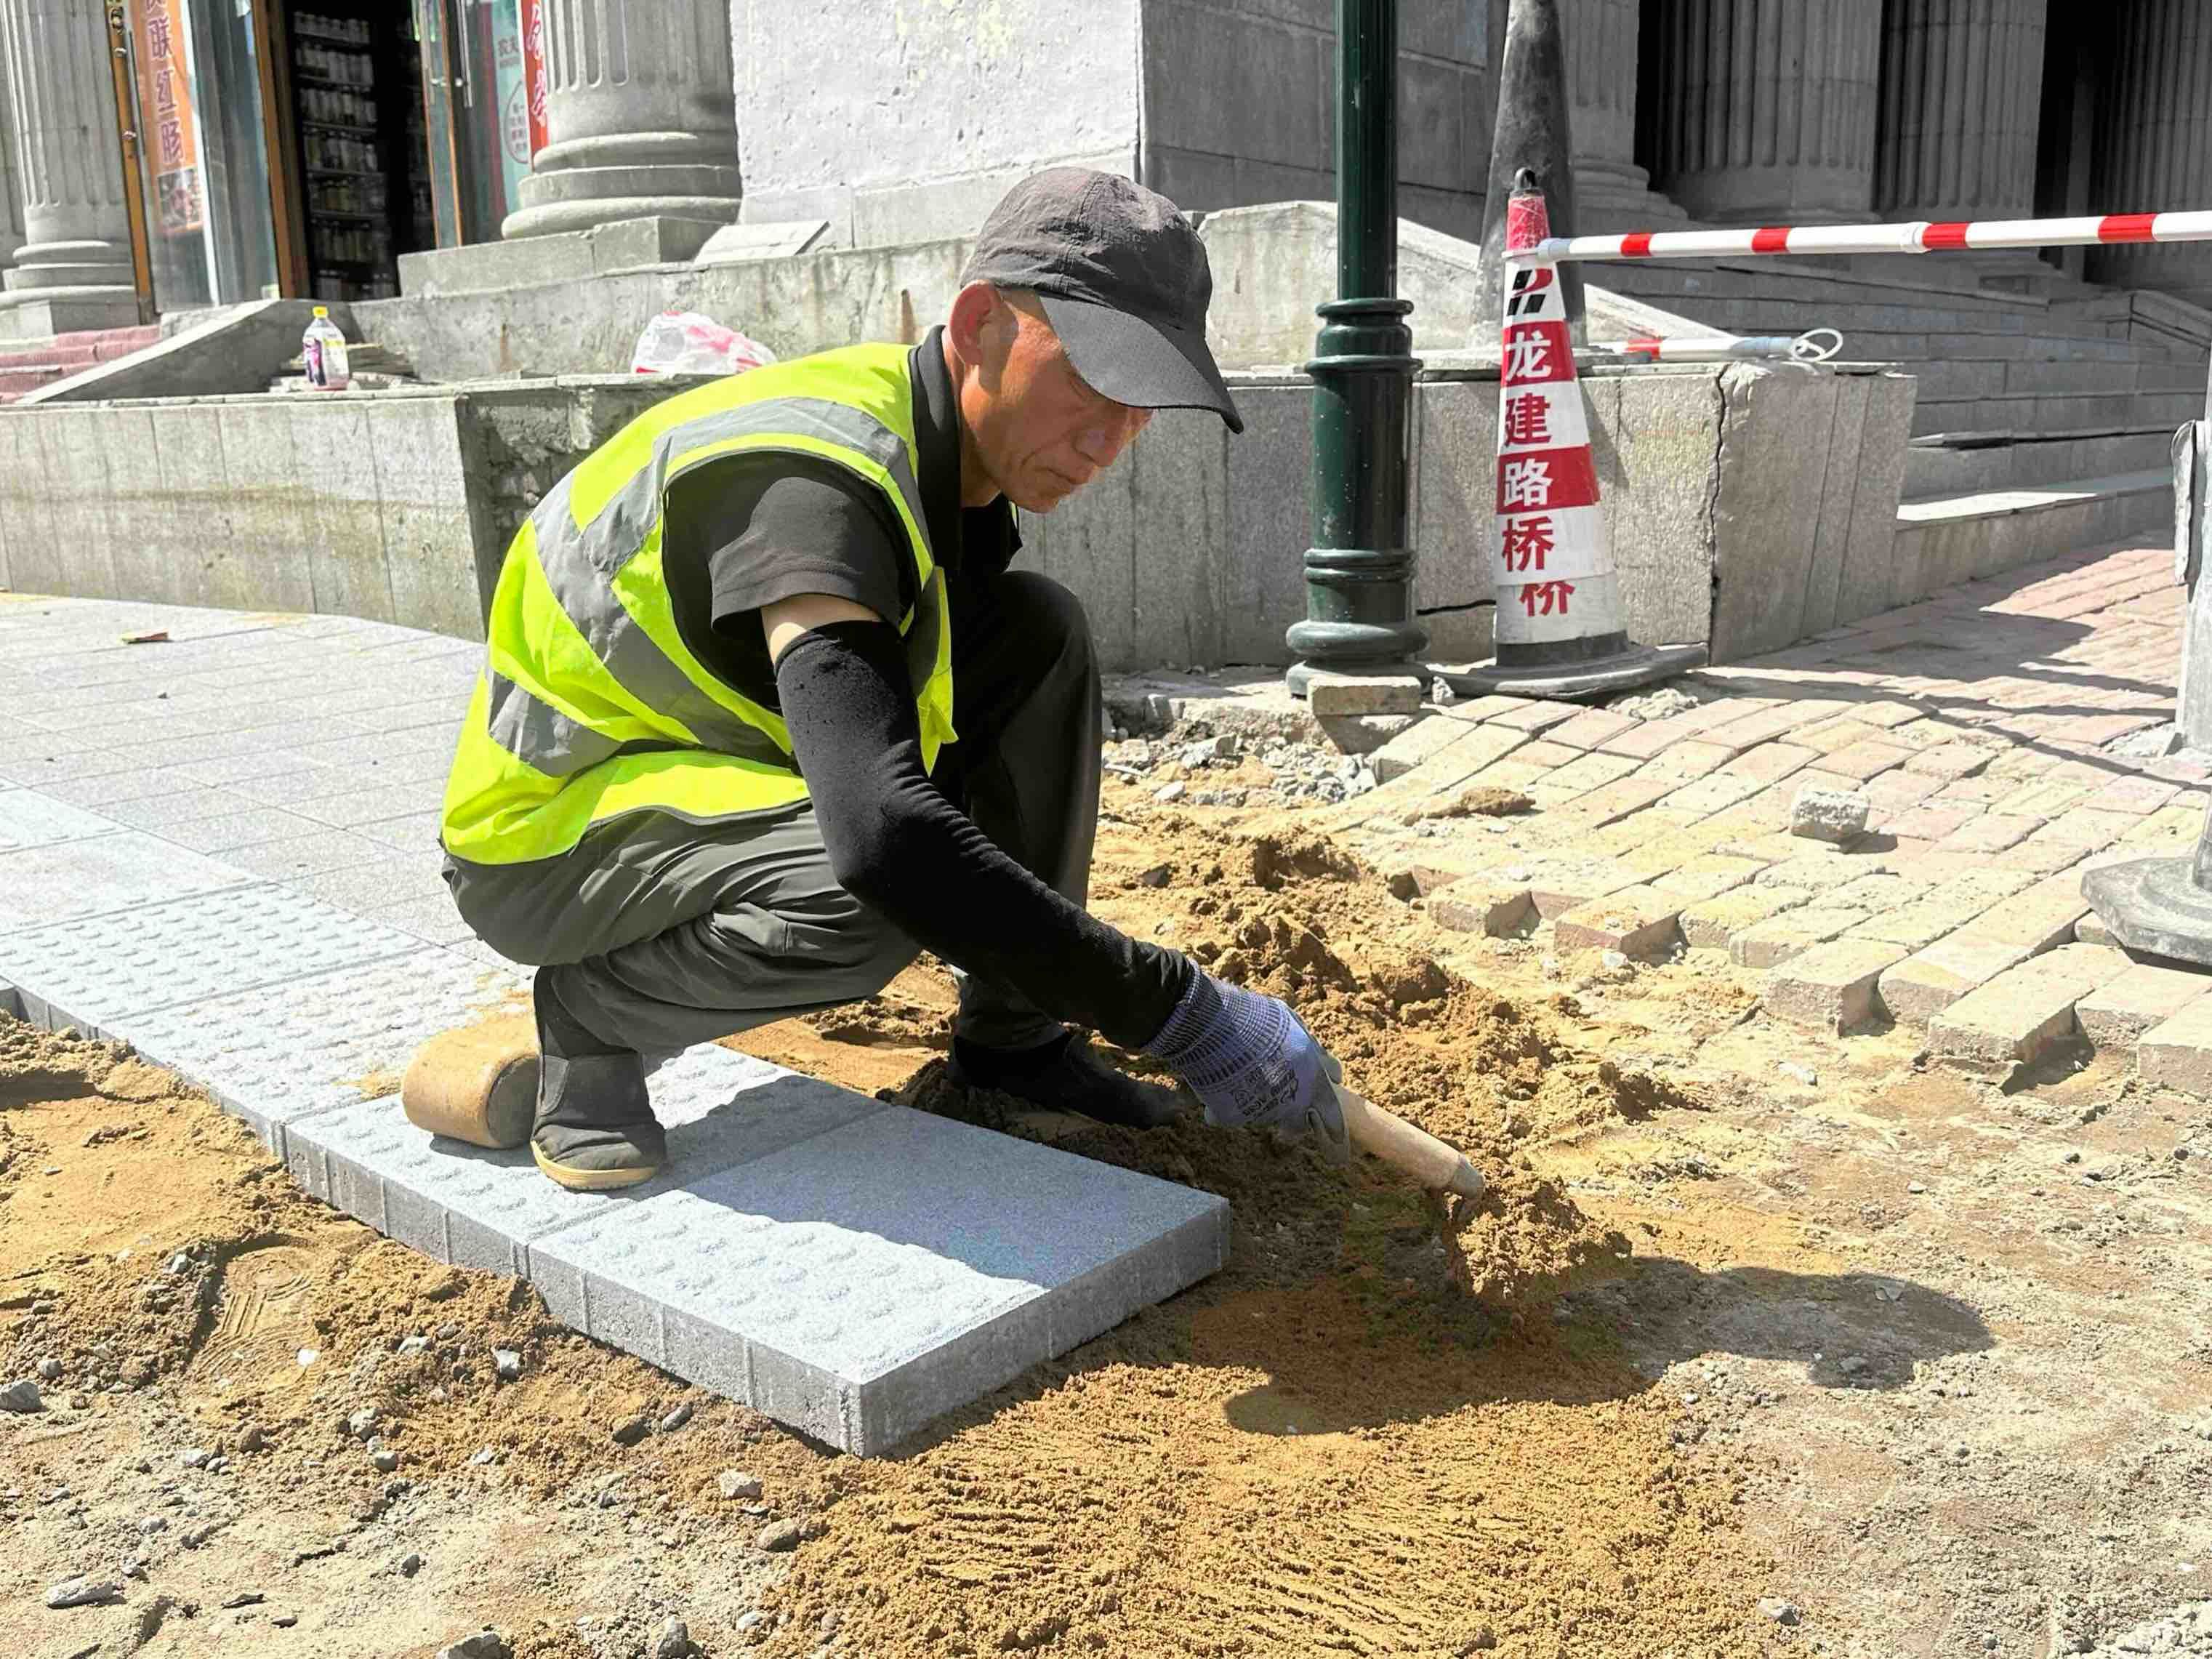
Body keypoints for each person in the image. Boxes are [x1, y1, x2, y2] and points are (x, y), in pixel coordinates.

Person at [422, 168, 1346, 1192]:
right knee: (871, 890)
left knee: (1039, 632)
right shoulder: (818, 485)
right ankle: (593, 1019)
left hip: (687, 770)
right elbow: (885, 837)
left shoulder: (940, 451)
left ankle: (1015, 1047)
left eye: (1142, 404)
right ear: (978, 322)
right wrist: (1181, 1011)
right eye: (1091, 381)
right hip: (549, 838)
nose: (1109, 438)